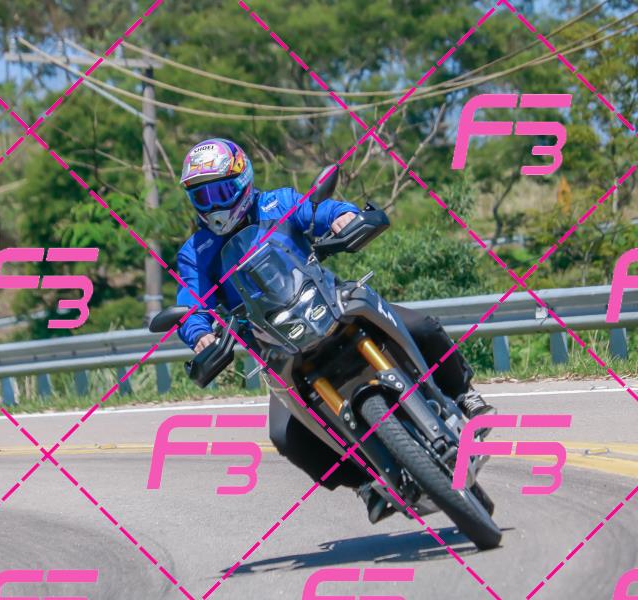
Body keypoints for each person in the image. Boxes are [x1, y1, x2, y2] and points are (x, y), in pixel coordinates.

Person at [174, 138, 491, 518]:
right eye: (203, 196)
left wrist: (343, 216)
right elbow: (191, 301)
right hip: (275, 343)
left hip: (328, 303)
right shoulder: (196, 252)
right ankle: (365, 484)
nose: (214, 205)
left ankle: (462, 394)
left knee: (419, 325)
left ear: (243, 181)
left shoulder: (277, 203)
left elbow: (317, 211)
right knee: (286, 436)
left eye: (221, 192)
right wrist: (199, 333)